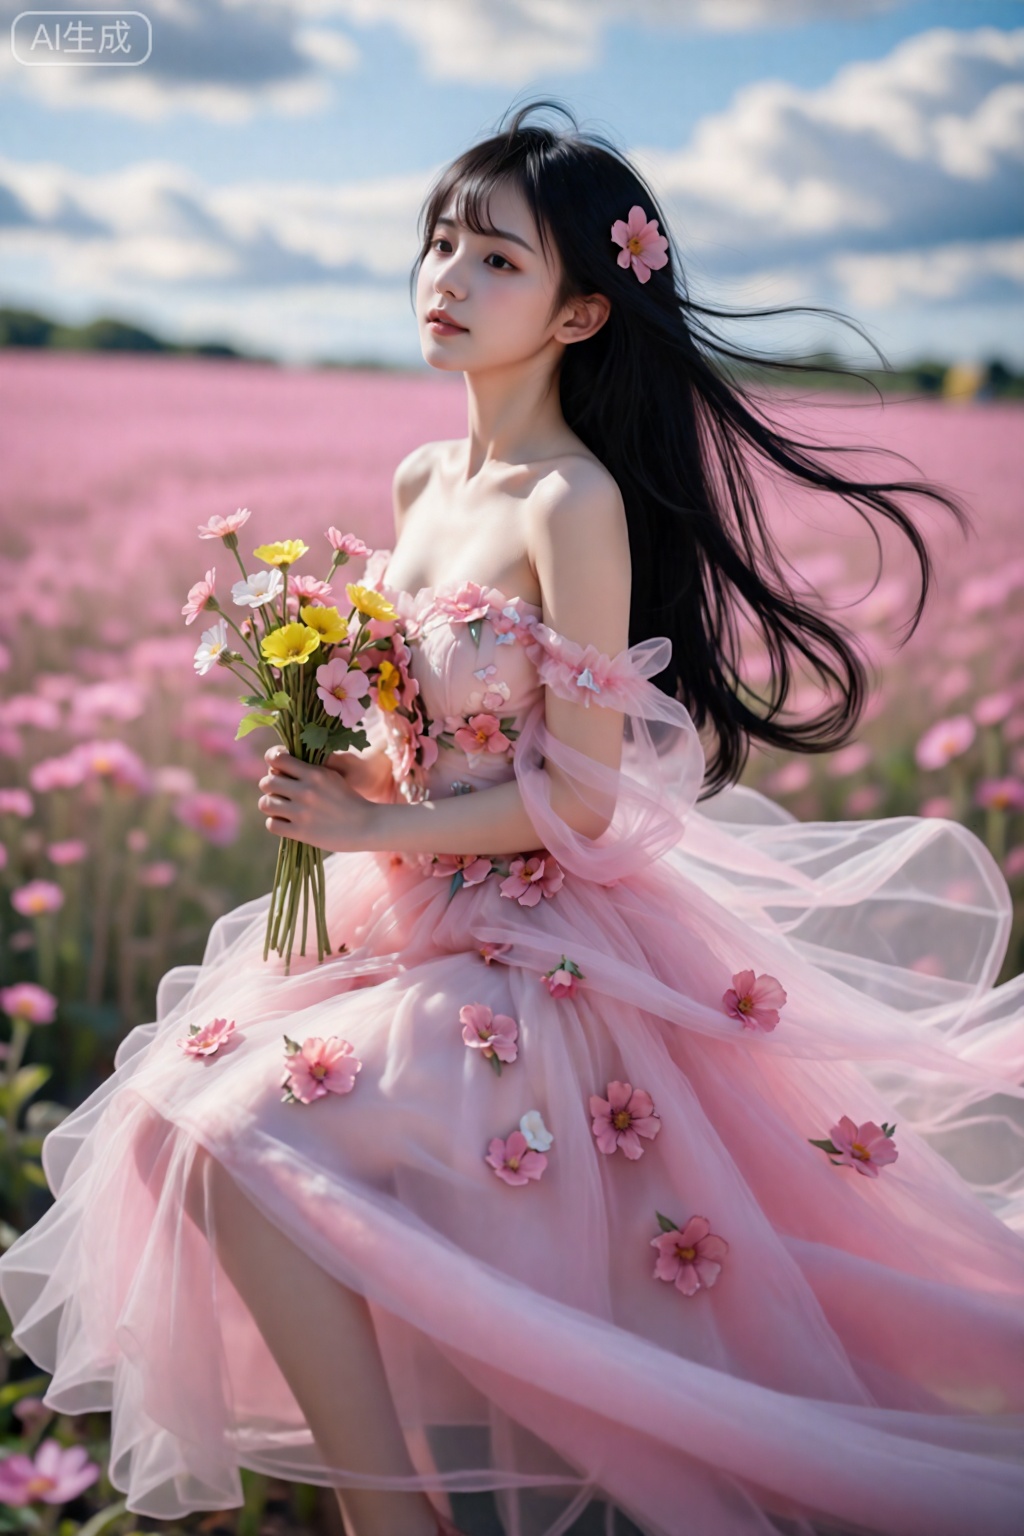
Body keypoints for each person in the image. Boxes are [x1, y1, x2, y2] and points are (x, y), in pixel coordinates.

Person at [1, 101, 1022, 1536]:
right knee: (179, 1127)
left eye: (494, 260)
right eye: (439, 243)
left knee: (232, 1132)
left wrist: (374, 835)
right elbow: (437, 740)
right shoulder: (424, 481)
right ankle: (386, 1510)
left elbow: (590, 799)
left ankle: (392, 1527)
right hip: (405, 921)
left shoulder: (573, 502)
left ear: (584, 310)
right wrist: (352, 777)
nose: (446, 277)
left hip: (543, 951)